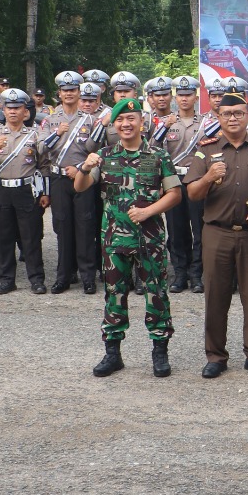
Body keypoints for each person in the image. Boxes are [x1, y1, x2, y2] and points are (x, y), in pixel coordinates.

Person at [75, 97, 183, 379]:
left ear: (141, 123)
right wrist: (85, 167)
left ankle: (159, 352)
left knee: (156, 293)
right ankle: (113, 354)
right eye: (121, 120)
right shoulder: (105, 156)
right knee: (114, 295)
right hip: (114, 240)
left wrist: (149, 211)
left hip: (150, 239)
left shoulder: (158, 155)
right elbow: (80, 186)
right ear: (115, 125)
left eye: (131, 119)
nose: (126, 124)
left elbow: (175, 194)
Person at [184, 91, 248, 379]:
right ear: (218, 117)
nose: (233, 118)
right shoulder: (206, 150)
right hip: (217, 233)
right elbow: (192, 193)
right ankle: (215, 356)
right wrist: (207, 177)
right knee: (215, 296)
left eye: (239, 113)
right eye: (227, 114)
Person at [0, 88, 51, 294]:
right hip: (2, 190)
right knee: (3, 237)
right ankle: (7, 279)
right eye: (9, 108)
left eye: (17, 108)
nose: (12, 112)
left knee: (31, 237)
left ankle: (36, 279)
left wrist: (45, 192)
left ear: (24, 111)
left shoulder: (34, 134)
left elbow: (43, 164)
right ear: (3, 109)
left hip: (26, 189)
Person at [42, 80, 105, 295]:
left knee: (85, 227)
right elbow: (42, 149)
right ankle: (64, 276)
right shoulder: (50, 120)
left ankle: (88, 277)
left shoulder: (90, 120)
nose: (69, 94)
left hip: (81, 177)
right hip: (59, 179)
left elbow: (93, 149)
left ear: (79, 93)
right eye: (65, 90)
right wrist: (57, 133)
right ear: (59, 93)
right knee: (62, 227)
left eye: (73, 90)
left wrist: (79, 169)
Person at [163, 75, 206, 293]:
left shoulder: (206, 123)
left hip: (197, 178)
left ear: (196, 97)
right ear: (175, 97)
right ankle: (180, 273)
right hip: (173, 179)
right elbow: (153, 148)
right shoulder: (166, 123)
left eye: (188, 94)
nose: (184, 99)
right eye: (180, 95)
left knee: (199, 228)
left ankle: (196, 274)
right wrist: (163, 128)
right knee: (176, 228)